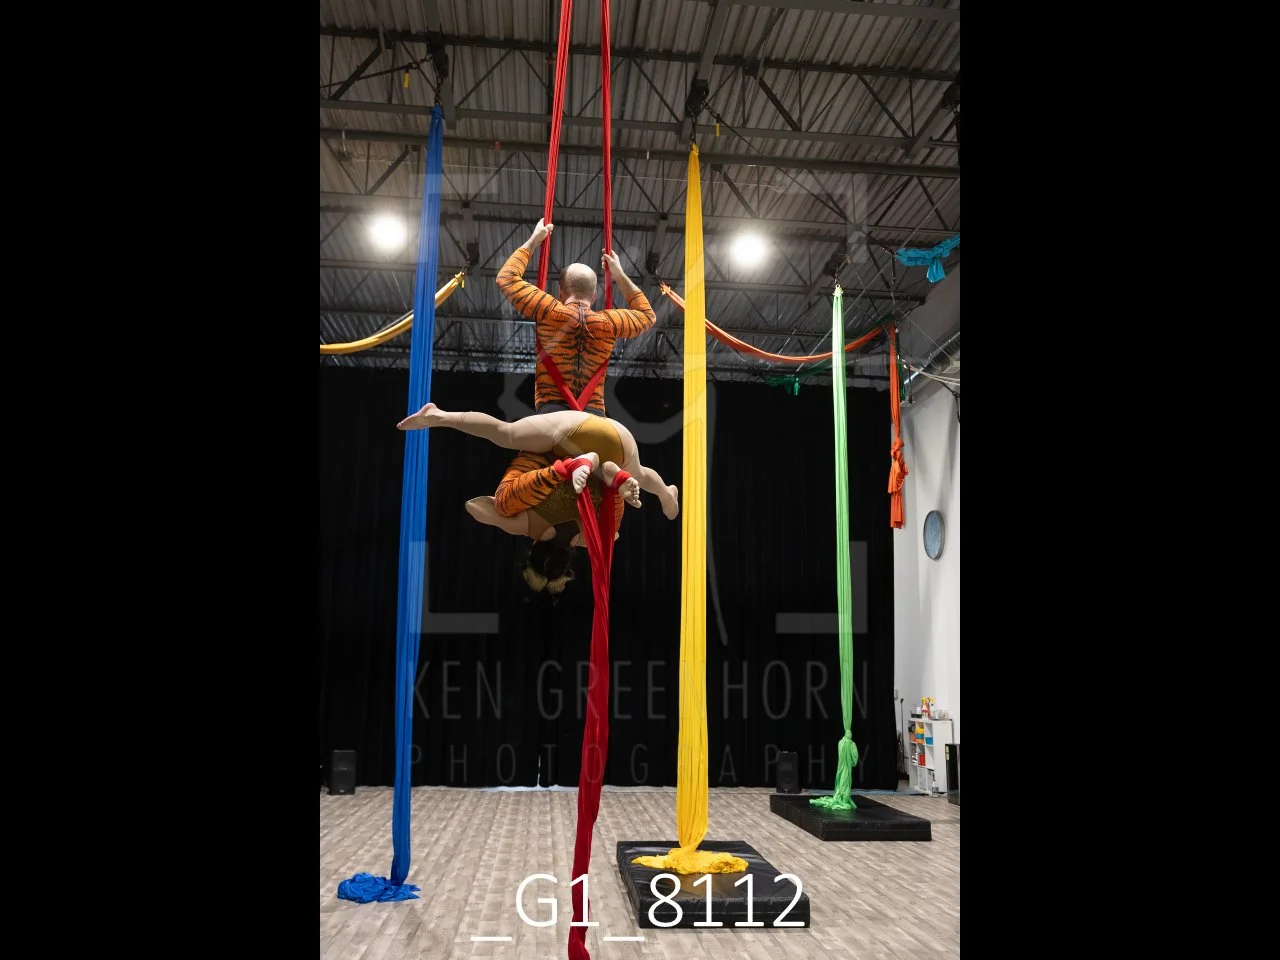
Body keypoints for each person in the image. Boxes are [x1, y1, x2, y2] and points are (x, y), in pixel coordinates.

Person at [397, 402, 679, 595]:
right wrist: (504, 521)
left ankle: (660, 492)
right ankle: (438, 416)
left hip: (620, 443)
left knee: (639, 476)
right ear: (533, 549)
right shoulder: (527, 526)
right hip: (574, 432)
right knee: (506, 434)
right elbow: (475, 507)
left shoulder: (582, 539)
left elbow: (614, 536)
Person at [495, 219, 657, 418]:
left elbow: (506, 278)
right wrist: (619, 274)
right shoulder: (609, 323)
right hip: (593, 416)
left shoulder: (549, 310)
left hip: (552, 413)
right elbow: (647, 315)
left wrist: (534, 241)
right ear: (594, 296)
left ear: (560, 291)